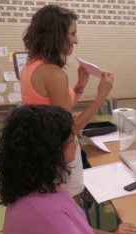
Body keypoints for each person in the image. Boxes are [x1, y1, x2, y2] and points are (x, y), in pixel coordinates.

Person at [0, 105, 136, 234]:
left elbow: (82, 231)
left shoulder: (43, 187)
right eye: (72, 137)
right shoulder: (45, 213)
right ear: (56, 152)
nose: (77, 139)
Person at [20, 5, 114, 204]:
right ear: (57, 34)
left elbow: (60, 111)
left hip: (43, 149)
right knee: (72, 211)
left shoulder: (31, 66)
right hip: (60, 155)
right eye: (72, 34)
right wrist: (101, 96)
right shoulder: (54, 74)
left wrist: (80, 86)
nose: (76, 40)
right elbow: (69, 129)